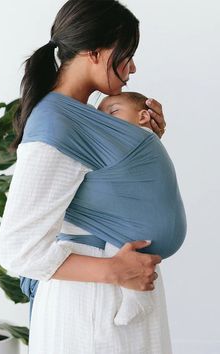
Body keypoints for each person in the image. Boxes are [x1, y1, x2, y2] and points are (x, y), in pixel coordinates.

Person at [0, 1, 175, 353]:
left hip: (118, 289)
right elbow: (17, 250)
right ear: (95, 51)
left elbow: (105, 185)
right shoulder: (57, 123)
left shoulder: (81, 117)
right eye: (126, 54)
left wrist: (144, 144)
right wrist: (114, 271)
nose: (133, 67)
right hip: (93, 303)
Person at [96, 91, 186, 325]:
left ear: (144, 117)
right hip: (156, 226)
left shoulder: (135, 140)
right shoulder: (146, 143)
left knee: (115, 243)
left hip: (140, 230)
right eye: (100, 117)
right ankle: (136, 298)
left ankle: (137, 298)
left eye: (113, 112)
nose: (105, 120)